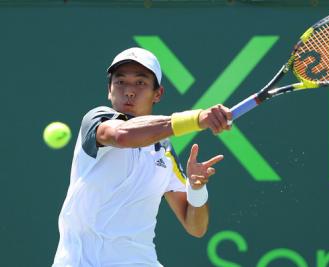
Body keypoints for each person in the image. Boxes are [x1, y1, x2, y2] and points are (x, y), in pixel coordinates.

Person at [52, 47, 232, 267]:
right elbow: (121, 135)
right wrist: (197, 118)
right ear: (109, 89)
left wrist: (196, 189)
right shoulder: (96, 120)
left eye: (140, 83)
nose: (129, 91)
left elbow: (196, 227)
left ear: (158, 93)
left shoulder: (163, 151)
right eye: (120, 82)